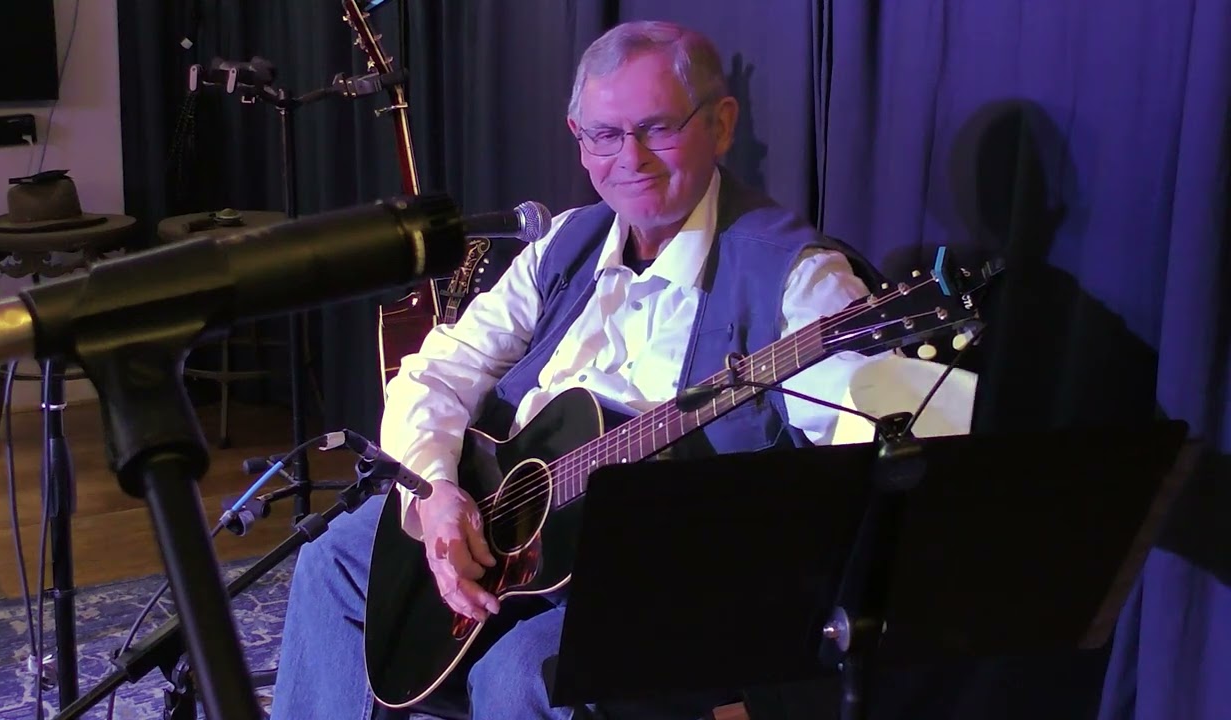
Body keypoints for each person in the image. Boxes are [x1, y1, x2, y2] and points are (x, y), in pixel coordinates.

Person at [271, 19, 883, 720]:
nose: (631, 158)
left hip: (658, 571)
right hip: (512, 519)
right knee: (332, 566)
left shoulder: (797, 280)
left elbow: (866, 439)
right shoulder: (566, 242)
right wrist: (436, 493)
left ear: (721, 124)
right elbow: (437, 371)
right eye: (605, 134)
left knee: (519, 674)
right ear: (577, 135)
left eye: (657, 128)